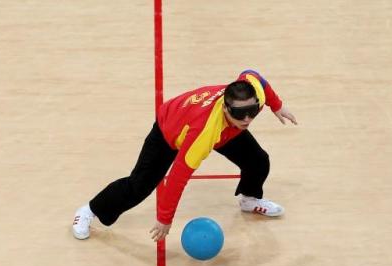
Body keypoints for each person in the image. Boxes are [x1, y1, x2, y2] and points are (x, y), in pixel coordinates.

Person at [72, 69, 298, 241]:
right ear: (226, 108)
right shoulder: (203, 134)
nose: (248, 119)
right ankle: (89, 210)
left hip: (225, 129)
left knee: (258, 160)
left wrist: (275, 105)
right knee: (138, 186)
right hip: (170, 131)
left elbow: (254, 75)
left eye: (252, 111)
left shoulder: (249, 101)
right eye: (241, 113)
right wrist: (164, 219)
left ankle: (249, 199)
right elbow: (178, 177)